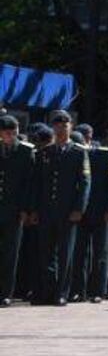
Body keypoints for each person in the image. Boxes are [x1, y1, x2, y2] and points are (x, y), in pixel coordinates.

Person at [68, 123, 108, 303]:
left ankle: (98, 291)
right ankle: (78, 290)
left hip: (100, 210)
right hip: (81, 212)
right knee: (79, 253)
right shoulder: (73, 154)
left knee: (100, 254)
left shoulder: (103, 154)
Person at [0, 114, 33, 306]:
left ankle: (6, 292)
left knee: (10, 253)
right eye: (7, 133)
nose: (11, 136)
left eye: (14, 132)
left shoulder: (25, 151)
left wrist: (25, 209)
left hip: (14, 209)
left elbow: (28, 184)